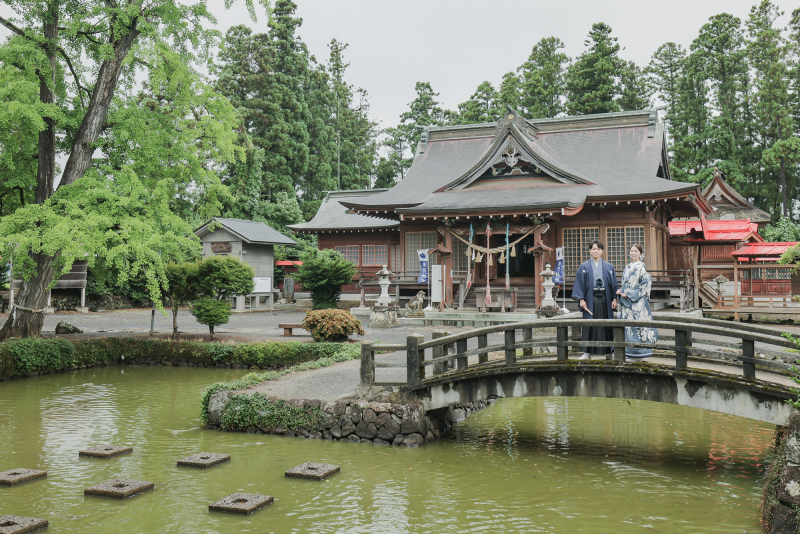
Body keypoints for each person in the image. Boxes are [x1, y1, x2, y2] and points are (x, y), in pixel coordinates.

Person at [571, 239, 618, 360]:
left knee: (607, 323)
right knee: (589, 324)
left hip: (606, 299)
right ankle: (587, 352)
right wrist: (581, 299)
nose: (596, 251)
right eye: (593, 249)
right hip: (589, 298)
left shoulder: (609, 266)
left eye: (598, 249)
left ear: (602, 251)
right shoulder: (584, 266)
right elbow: (579, 284)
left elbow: (614, 285)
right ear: (590, 251)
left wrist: (614, 299)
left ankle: (609, 351)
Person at [616, 244, 658, 360]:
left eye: (636, 251)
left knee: (636, 328)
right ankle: (629, 353)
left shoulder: (641, 267)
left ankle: (638, 354)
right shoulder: (628, 266)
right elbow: (626, 283)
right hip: (626, 303)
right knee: (628, 327)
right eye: (631, 251)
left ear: (640, 253)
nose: (633, 253)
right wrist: (621, 291)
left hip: (636, 303)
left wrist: (629, 294)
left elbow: (645, 285)